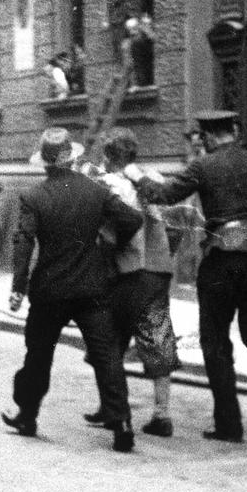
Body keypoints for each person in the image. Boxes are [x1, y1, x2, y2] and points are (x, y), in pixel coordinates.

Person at [129, 109, 247, 443]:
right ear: (235, 132)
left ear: (207, 136)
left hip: (221, 261)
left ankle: (229, 425)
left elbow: (164, 195)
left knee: (215, 341)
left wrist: (136, 175)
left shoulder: (203, 166)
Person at [2, 127, 144, 453]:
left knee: (38, 355)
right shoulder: (95, 191)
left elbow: (23, 242)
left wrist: (18, 287)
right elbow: (132, 220)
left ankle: (27, 415)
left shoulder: (34, 196)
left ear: (45, 162)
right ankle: (122, 423)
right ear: (73, 159)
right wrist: (108, 247)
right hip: (92, 287)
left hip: (49, 290)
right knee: (107, 355)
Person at [85, 127, 180, 438]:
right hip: (157, 271)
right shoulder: (153, 178)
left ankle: (110, 407)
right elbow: (176, 225)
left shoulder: (107, 184)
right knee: (157, 338)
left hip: (124, 272)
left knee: (109, 341)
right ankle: (162, 414)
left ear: (108, 155)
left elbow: (105, 233)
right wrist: (165, 255)